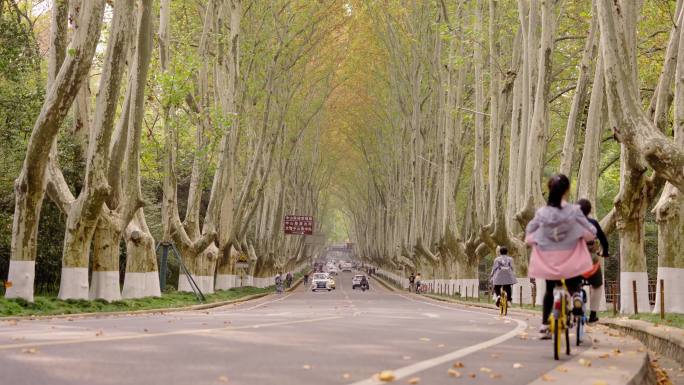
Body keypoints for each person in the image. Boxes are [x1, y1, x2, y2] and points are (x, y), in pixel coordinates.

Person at [526, 174, 596, 339]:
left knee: (549, 290)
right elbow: (591, 230)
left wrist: (533, 239)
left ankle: (544, 325)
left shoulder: (542, 212)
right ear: (567, 190)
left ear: (549, 189)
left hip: (548, 260)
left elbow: (530, 229)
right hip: (570, 260)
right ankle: (577, 296)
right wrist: (584, 235)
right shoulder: (574, 211)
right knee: (573, 282)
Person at [576, 198, 610, 323]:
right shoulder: (593, 223)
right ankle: (593, 314)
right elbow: (604, 241)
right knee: (597, 285)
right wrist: (605, 252)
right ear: (589, 211)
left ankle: (572, 303)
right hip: (590, 261)